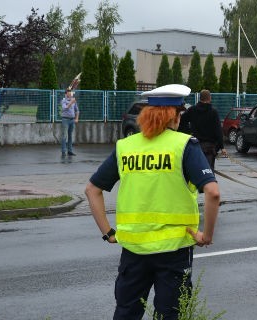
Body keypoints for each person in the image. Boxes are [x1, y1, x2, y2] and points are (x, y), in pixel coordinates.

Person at [84, 84, 221, 320]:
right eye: (180, 114)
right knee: (170, 315)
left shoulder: (125, 147)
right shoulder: (185, 145)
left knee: (127, 313)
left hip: (133, 252)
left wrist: (108, 233)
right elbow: (213, 193)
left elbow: (91, 190)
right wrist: (206, 236)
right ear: (174, 116)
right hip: (174, 252)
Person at [178, 89, 225, 169]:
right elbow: (218, 131)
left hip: (195, 145)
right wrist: (222, 147)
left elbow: (181, 121)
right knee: (208, 170)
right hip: (209, 147)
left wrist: (187, 133)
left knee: (195, 169)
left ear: (200, 98)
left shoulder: (192, 110)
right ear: (210, 98)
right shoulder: (213, 112)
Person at [60, 89, 79, 156]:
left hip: (72, 120)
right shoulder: (63, 101)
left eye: (71, 93)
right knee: (64, 136)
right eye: (69, 93)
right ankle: (63, 151)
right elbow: (65, 108)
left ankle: (70, 151)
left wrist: (76, 118)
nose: (70, 94)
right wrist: (71, 102)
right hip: (65, 120)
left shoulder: (74, 101)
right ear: (66, 94)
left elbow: (77, 110)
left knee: (70, 136)